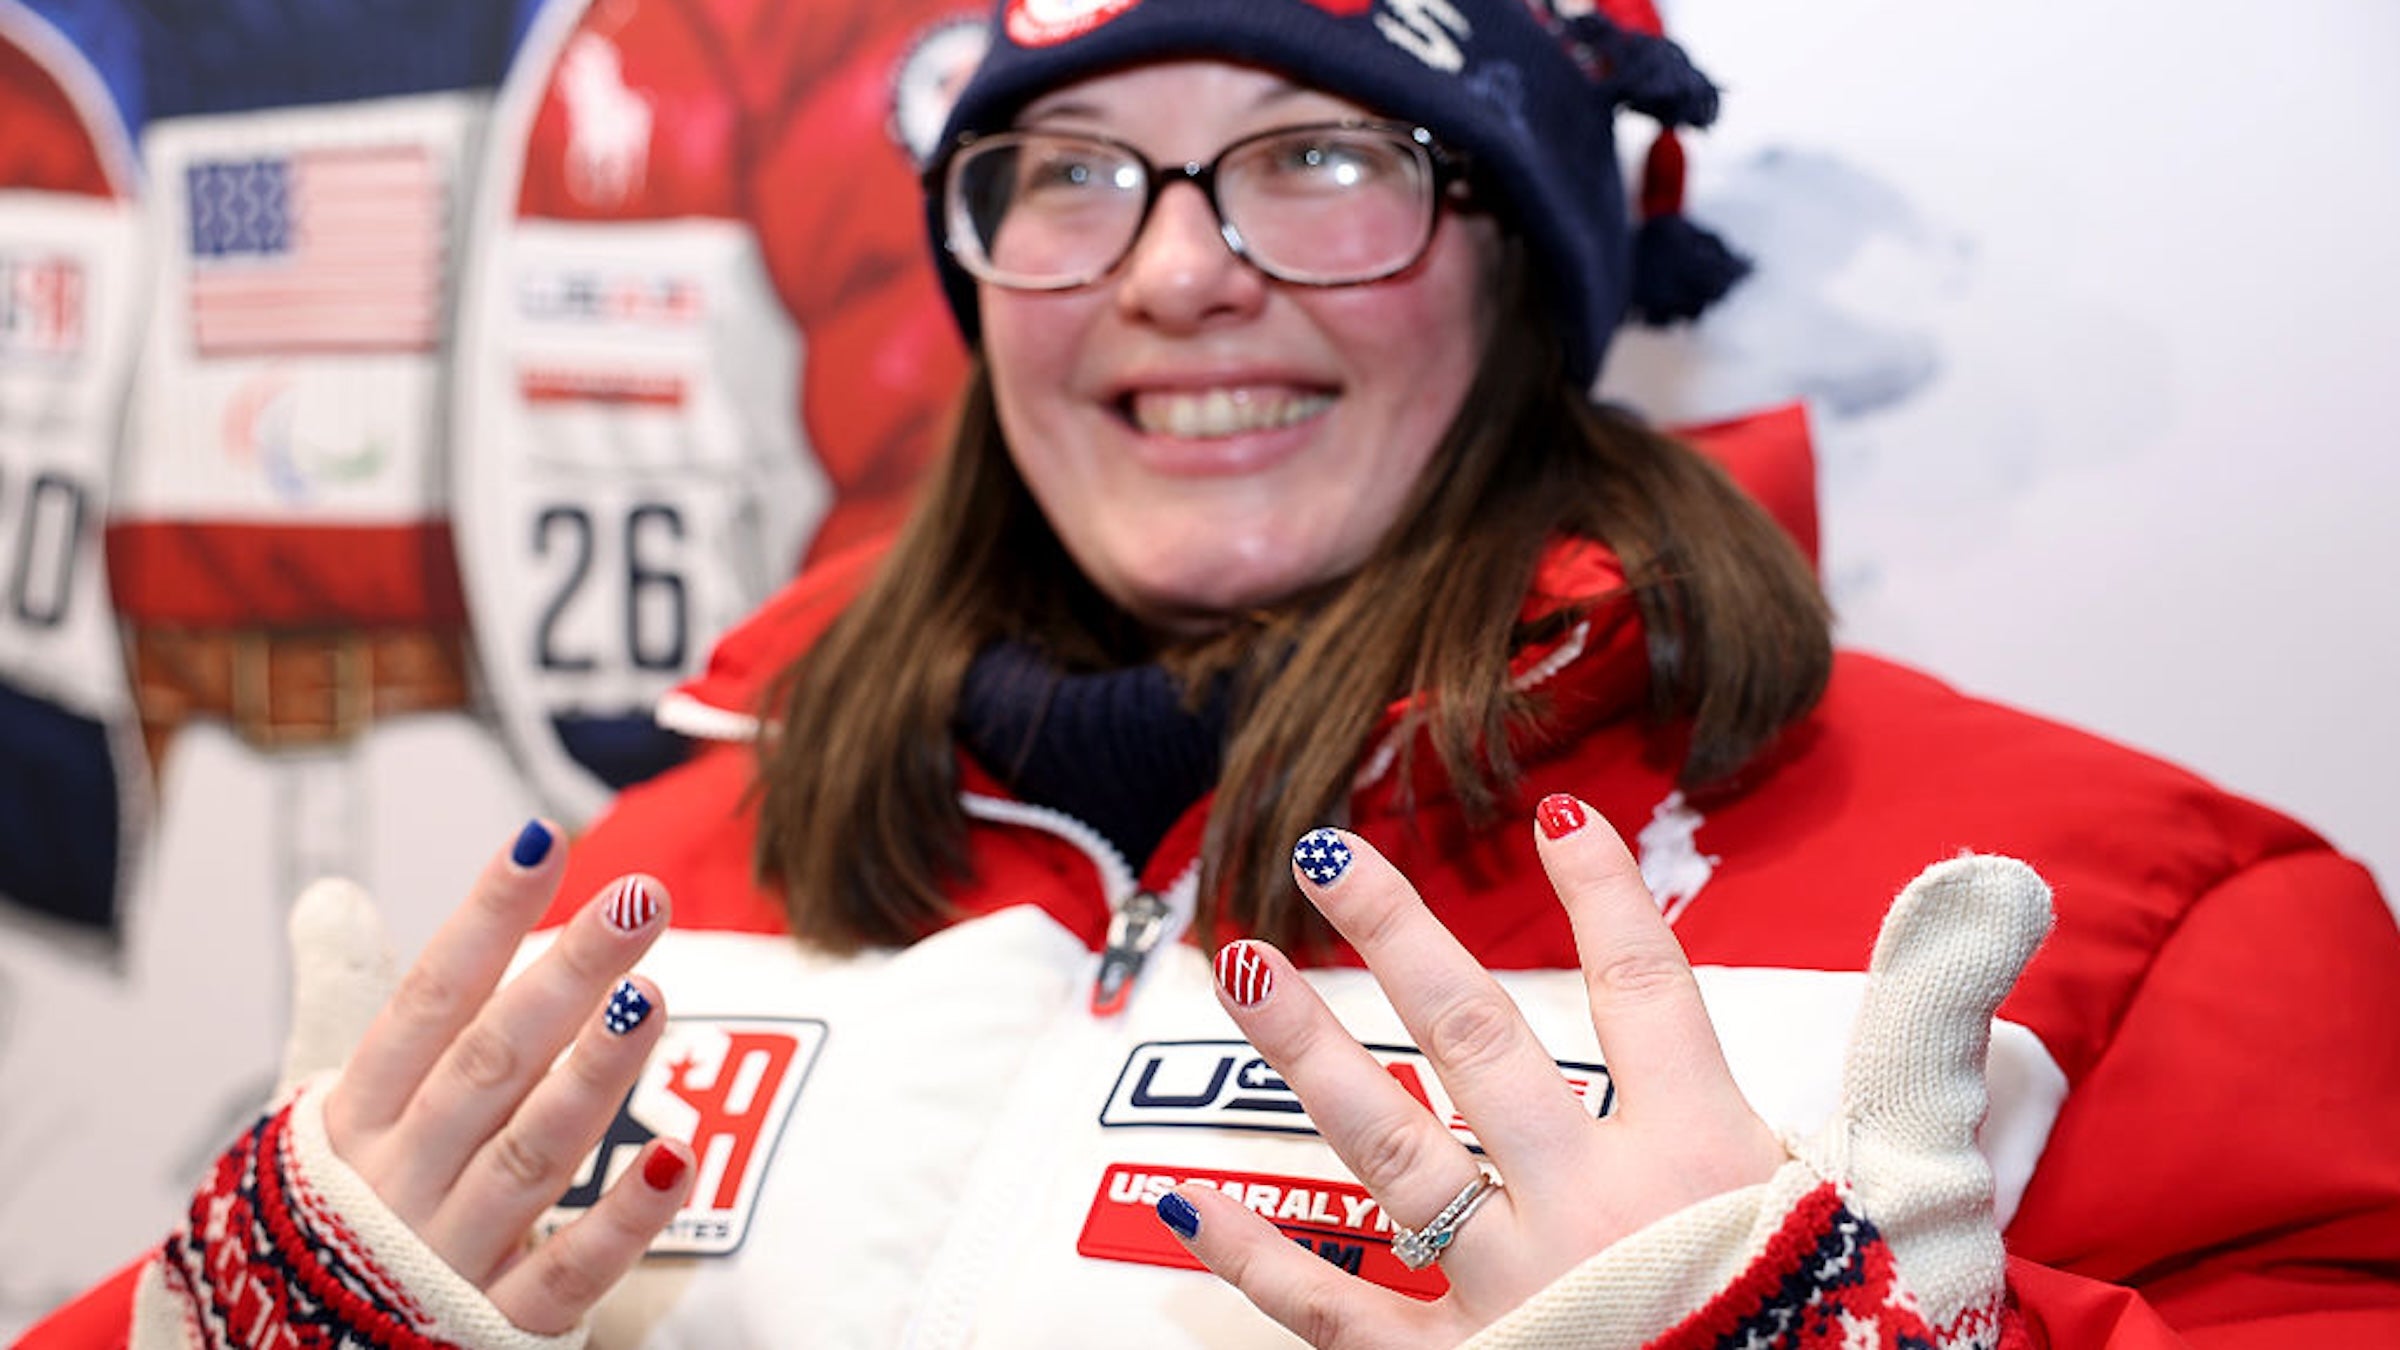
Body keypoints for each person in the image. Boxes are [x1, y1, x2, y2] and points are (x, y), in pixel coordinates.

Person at [23, 0, 2400, 1346]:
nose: (1171, 273)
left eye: (1319, 159)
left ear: (1527, 265)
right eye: (1066, 172)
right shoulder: (646, 884)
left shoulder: (2122, 916)